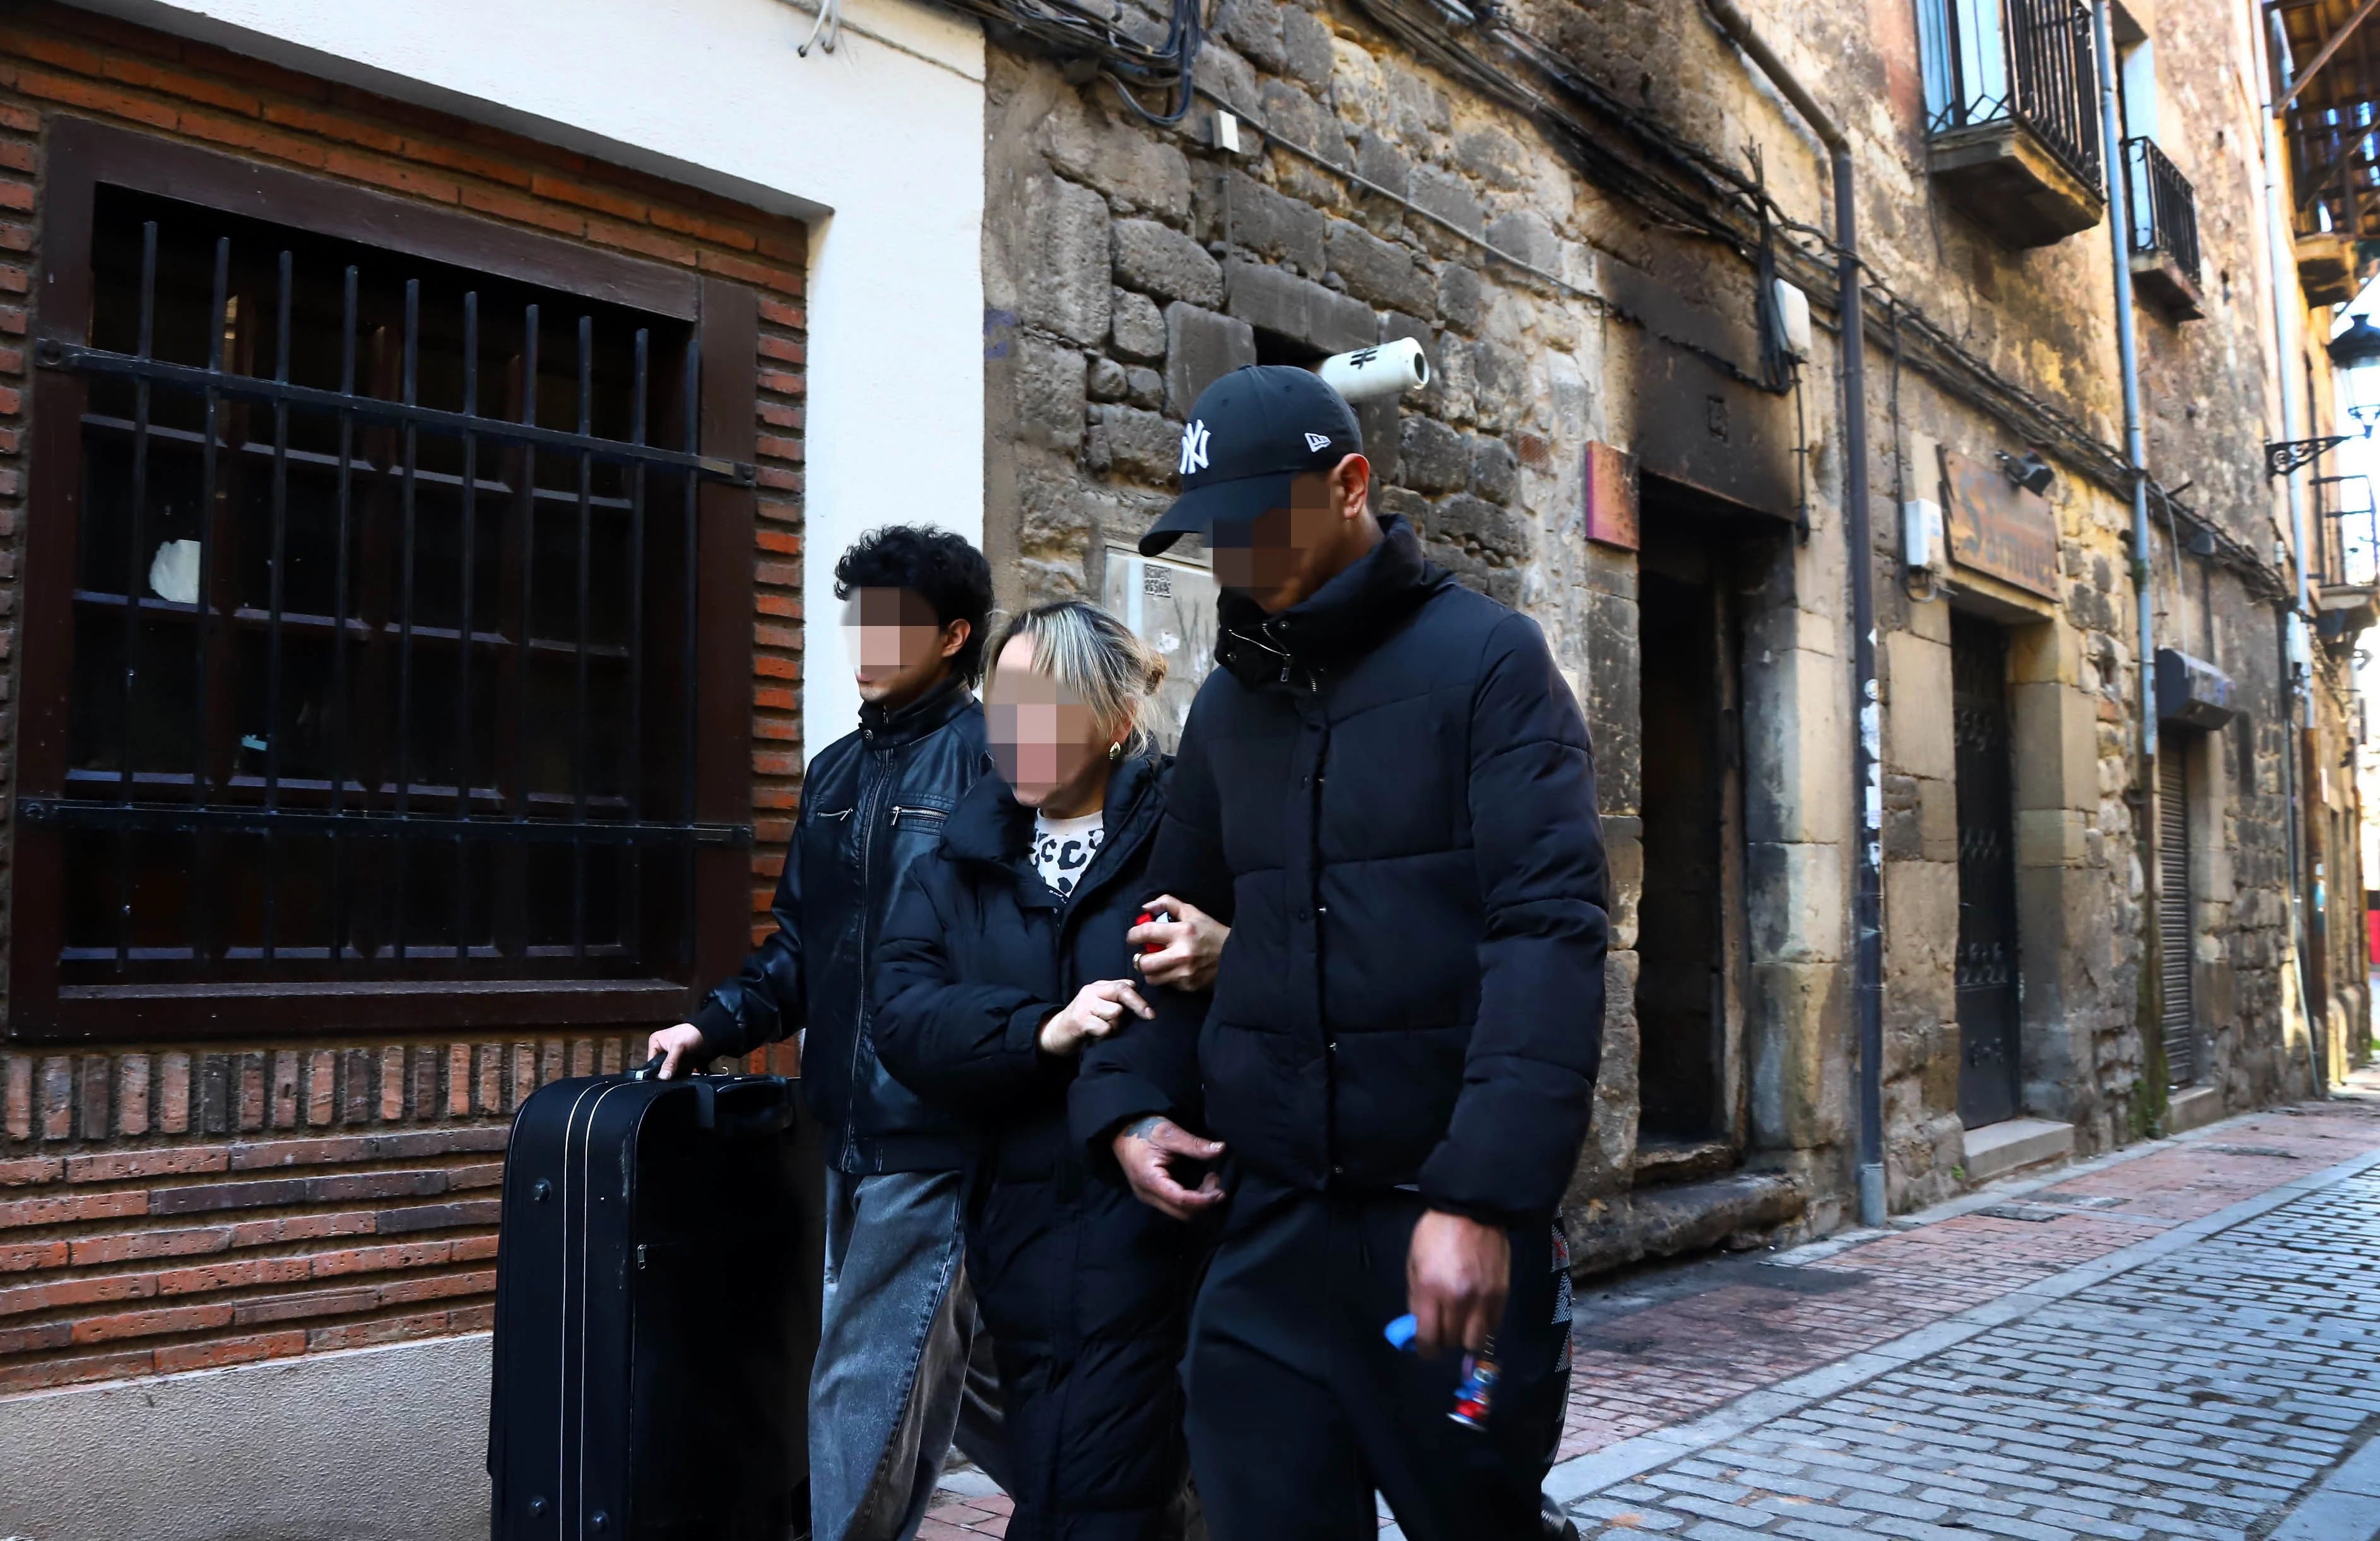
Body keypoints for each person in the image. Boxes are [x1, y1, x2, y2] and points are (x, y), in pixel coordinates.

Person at [1069, 366, 1610, 1541]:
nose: (1226, 555)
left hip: (1440, 1238)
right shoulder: (1224, 711)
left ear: (1351, 485)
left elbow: (1550, 934)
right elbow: (1164, 931)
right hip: (1265, 1240)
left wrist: (1482, 1200)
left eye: (1251, 522)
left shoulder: (1489, 665)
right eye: (1208, 530)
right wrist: (1130, 1106)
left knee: (1480, 1520)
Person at [645, 525, 1003, 1541]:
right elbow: (800, 944)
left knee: (859, 1376)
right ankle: (1148, 1503)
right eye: (863, 613)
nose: (869, 636)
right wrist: (713, 1024)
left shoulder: (990, 763)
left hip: (934, 1126)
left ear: (953, 636)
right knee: (955, 1376)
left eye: (895, 619)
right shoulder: (836, 772)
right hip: (841, 1122)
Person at [872, 600, 1228, 1541]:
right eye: (1005, 702)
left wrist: (1229, 949)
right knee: (1098, 1473)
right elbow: (903, 1018)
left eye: (1047, 702)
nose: (1016, 728)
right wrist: (1042, 1028)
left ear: (1115, 722)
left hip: (1156, 1221)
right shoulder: (959, 858)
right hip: (1017, 1232)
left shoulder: (1185, 842)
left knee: (1097, 1492)